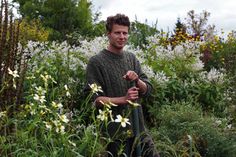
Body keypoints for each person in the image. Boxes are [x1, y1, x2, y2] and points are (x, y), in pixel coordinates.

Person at [85, 13, 159, 157]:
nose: (122, 36)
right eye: (117, 32)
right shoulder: (96, 62)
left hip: (139, 130)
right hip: (114, 135)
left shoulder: (131, 58)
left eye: (125, 33)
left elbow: (148, 90)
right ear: (108, 34)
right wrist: (124, 99)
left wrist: (137, 80)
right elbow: (94, 100)